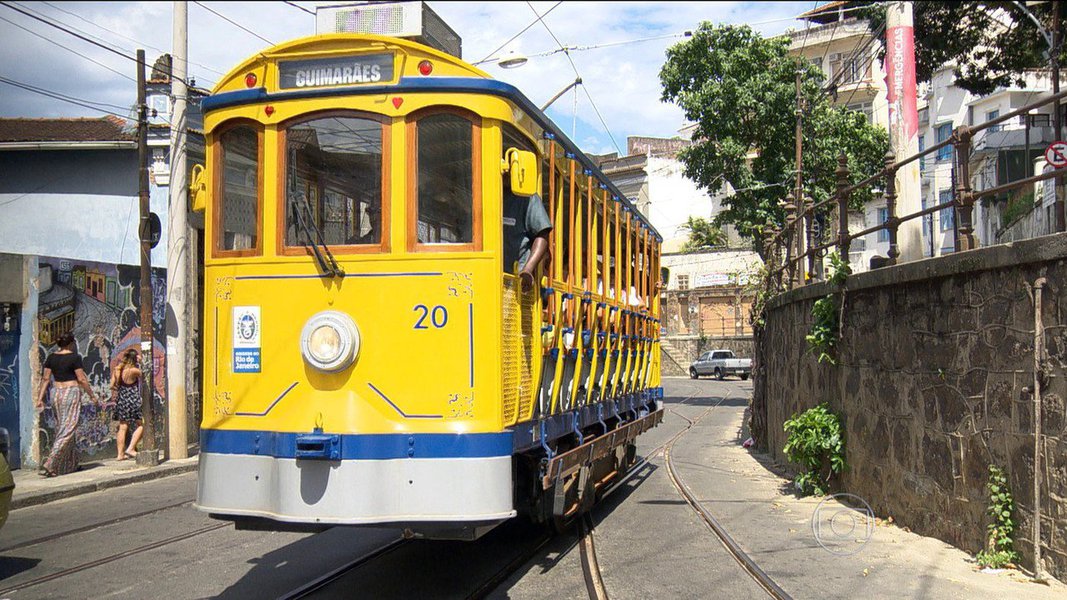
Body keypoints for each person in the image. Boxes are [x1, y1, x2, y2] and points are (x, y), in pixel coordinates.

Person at [36, 333, 98, 477]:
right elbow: (81, 379)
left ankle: (68, 465)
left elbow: (45, 379)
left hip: (56, 393)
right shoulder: (75, 358)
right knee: (69, 427)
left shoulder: (51, 357)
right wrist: (92, 395)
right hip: (71, 392)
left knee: (62, 427)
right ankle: (51, 462)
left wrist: (40, 398)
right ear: (71, 344)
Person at [502, 178, 552, 292]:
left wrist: (528, 269)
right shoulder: (475, 192)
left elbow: (542, 234)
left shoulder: (528, 197)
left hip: (515, 283)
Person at [110, 348, 144, 460]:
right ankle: (131, 448)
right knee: (142, 424)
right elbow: (145, 375)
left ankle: (120, 454)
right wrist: (141, 362)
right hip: (133, 399)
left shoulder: (117, 370)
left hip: (122, 400)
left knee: (123, 427)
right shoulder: (134, 371)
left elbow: (112, 385)